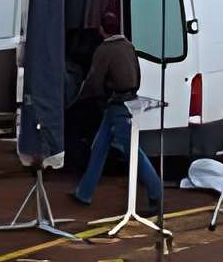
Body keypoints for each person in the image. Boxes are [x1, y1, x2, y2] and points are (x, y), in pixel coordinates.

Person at [69, 30, 163, 211]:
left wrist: (77, 99)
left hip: (118, 104)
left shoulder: (104, 50)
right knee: (99, 147)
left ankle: (156, 192)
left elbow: (94, 81)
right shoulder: (128, 46)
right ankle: (84, 193)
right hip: (124, 101)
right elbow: (137, 73)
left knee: (133, 151)